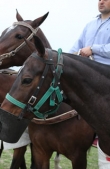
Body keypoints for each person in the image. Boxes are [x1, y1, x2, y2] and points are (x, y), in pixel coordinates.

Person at [70, 0, 110, 167]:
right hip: (85, 74)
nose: (101, 1)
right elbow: (75, 48)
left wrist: (93, 48)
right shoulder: (90, 25)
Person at [70, 0, 110, 66]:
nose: (101, 2)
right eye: (99, 0)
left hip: (105, 71)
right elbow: (76, 47)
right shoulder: (90, 25)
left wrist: (92, 49)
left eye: (105, 0)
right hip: (85, 69)